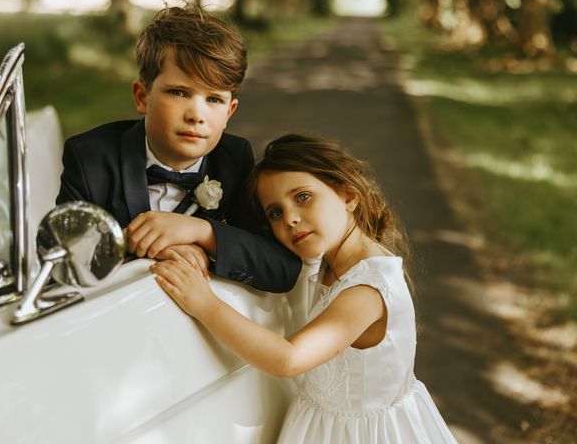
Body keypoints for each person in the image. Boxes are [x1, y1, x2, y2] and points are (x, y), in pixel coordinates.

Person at [151, 134, 458, 443]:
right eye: (276, 212)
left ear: (348, 196)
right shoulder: (326, 262)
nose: (291, 220)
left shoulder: (367, 290)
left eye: (302, 197)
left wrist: (205, 304)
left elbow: (288, 360)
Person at [56, 4, 300, 292]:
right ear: (142, 97)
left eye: (214, 100)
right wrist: (137, 246)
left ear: (229, 112)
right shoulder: (90, 158)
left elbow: (281, 268)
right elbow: (60, 263)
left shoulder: (235, 159)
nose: (196, 114)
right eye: (179, 92)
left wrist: (204, 234)